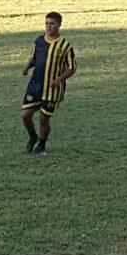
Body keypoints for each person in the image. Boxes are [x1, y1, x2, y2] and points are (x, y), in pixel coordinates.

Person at [21, 12, 77, 155]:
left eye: (52, 24)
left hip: (52, 90)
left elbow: (72, 68)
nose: (49, 26)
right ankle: (33, 137)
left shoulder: (65, 46)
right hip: (35, 85)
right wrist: (27, 67)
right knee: (25, 115)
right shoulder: (39, 41)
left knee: (43, 119)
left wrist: (59, 80)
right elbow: (34, 58)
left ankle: (42, 145)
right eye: (47, 23)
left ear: (59, 25)